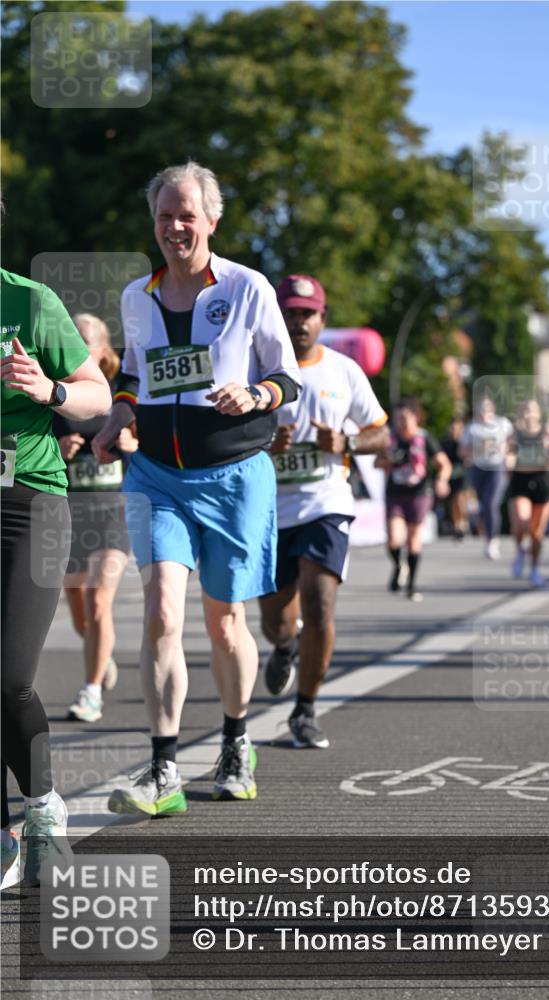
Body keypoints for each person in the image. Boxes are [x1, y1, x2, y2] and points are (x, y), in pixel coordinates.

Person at [92, 162, 300, 815]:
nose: (175, 227)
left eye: (187, 215)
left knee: (225, 620)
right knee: (158, 612)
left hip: (234, 475)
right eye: (164, 215)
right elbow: (132, 375)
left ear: (212, 220)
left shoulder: (247, 288)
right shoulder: (137, 296)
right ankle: (162, 770)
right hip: (156, 475)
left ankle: (236, 743)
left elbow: (287, 380)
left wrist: (254, 392)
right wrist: (116, 418)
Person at [1, 268, 111, 887]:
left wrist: (49, 390)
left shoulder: (29, 301)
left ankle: (42, 805)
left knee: (8, 676)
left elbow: (94, 393)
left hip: (28, 503)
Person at [259, 275, 388, 748]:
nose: (298, 322)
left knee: (319, 603)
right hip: (269, 511)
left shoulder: (344, 371)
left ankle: (306, 709)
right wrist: (265, 444)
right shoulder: (255, 368)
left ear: (322, 319)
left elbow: (382, 434)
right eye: (289, 313)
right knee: (275, 620)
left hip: (325, 505)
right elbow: (224, 437)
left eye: (306, 314)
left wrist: (348, 440)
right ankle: (283, 646)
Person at [53, 314, 138, 723]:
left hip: (114, 511)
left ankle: (90, 693)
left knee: (98, 599)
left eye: (83, 339)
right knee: (79, 610)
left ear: (104, 351)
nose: (74, 343)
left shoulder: (123, 394)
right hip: (70, 513)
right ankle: (101, 655)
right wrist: (58, 446)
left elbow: (150, 445)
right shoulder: (55, 393)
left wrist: (129, 442)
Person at [375, 399, 451, 601]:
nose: (401, 423)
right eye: (398, 418)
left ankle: (411, 585)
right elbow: (377, 462)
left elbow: (443, 463)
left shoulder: (425, 439)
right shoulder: (390, 439)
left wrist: (442, 480)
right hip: (395, 494)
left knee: (414, 537)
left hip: (420, 493)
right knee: (394, 538)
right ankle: (399, 565)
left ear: (415, 418)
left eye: (405, 418)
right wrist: (388, 460)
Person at [506, 399, 549, 587]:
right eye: (524, 410)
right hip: (520, 481)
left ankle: (535, 568)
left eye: (531, 410)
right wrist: (508, 460)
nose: (528, 414)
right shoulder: (515, 434)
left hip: (542, 481)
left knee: (537, 533)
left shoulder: (546, 432)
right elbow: (508, 455)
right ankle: (520, 550)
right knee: (521, 522)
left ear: (538, 414)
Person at [461, 397, 513, 560]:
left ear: (493, 409)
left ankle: (493, 540)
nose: (484, 413)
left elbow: (514, 441)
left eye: (487, 409)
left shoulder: (502, 423)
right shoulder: (472, 427)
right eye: (481, 409)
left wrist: (508, 451)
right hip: (478, 468)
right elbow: (462, 451)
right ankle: (487, 537)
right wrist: (476, 448)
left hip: (496, 467)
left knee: (491, 502)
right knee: (482, 504)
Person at [440, 417, 469, 539]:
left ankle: (463, 522)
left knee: (460, 499)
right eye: (452, 428)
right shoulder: (445, 443)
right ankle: (457, 525)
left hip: (463, 475)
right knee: (453, 502)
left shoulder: (464, 443)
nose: (454, 431)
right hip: (451, 476)